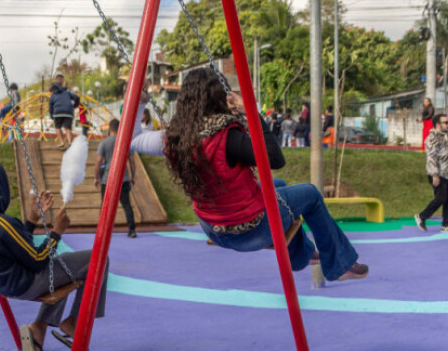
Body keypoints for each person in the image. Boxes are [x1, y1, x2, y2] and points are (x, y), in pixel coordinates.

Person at [130, 68, 368, 282]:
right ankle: (340, 265)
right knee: (310, 194)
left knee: (278, 185)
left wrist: (139, 104)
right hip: (251, 231)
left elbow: (132, 139)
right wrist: (251, 112)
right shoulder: (227, 137)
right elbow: (275, 159)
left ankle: (300, 255)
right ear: (219, 98)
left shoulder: (173, 139)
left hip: (213, 228)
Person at [0, 161, 109, 351]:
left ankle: (39, 328)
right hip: (28, 281)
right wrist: (57, 232)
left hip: (6, 285)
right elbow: (38, 259)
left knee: (66, 270)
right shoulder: (2, 223)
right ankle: (74, 322)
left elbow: (16, 248)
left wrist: (31, 219)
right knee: (99, 259)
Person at [416, 113, 448, 232]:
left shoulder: (445, 137)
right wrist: (435, 175)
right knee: (441, 198)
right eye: (446, 123)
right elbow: (431, 158)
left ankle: (446, 225)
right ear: (438, 124)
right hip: (437, 173)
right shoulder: (432, 138)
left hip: (447, 172)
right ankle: (422, 216)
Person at [94, 119, 137, 238]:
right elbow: (132, 161)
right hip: (123, 178)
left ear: (110, 129)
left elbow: (98, 161)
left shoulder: (104, 143)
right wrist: (133, 176)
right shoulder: (126, 142)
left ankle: (103, 231)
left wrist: (96, 177)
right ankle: (132, 230)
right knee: (127, 205)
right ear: (120, 128)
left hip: (108, 179)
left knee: (105, 206)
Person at [49, 74, 79, 149]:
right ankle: (70, 143)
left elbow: (50, 105)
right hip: (68, 111)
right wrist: (74, 105)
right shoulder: (67, 93)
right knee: (68, 128)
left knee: (58, 127)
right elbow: (77, 98)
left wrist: (51, 115)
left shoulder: (53, 95)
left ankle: (62, 142)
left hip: (57, 112)